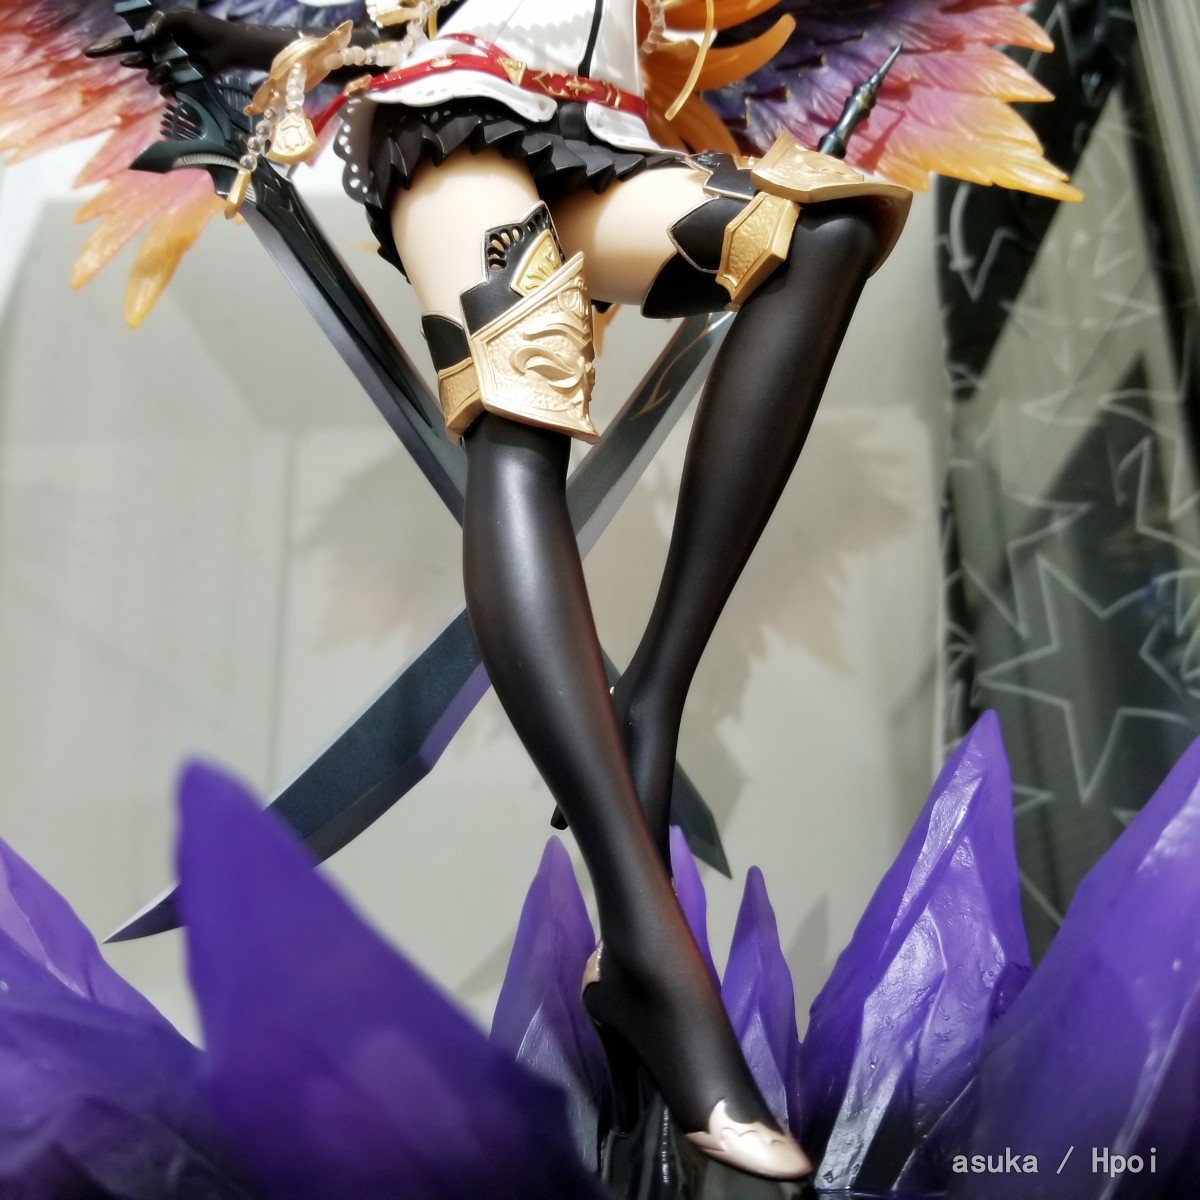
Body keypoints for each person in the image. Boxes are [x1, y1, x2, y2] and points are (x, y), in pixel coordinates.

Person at [98, 0, 910, 1181]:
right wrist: (242, 42)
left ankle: (651, 701)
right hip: (453, 126)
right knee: (520, 416)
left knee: (821, 234)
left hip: (605, 144)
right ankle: (651, 959)